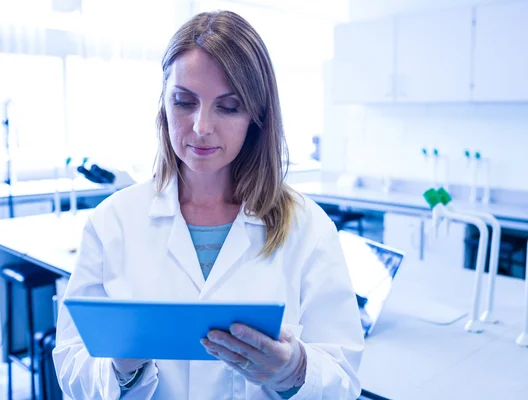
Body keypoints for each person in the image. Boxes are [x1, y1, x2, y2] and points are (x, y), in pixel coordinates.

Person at [53, 10, 364, 400]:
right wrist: (121, 367)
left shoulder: (308, 228)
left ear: (257, 115)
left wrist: (294, 371)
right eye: (184, 102)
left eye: (228, 106)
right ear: (164, 104)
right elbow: (70, 363)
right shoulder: (112, 222)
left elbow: (344, 379)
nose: (201, 126)